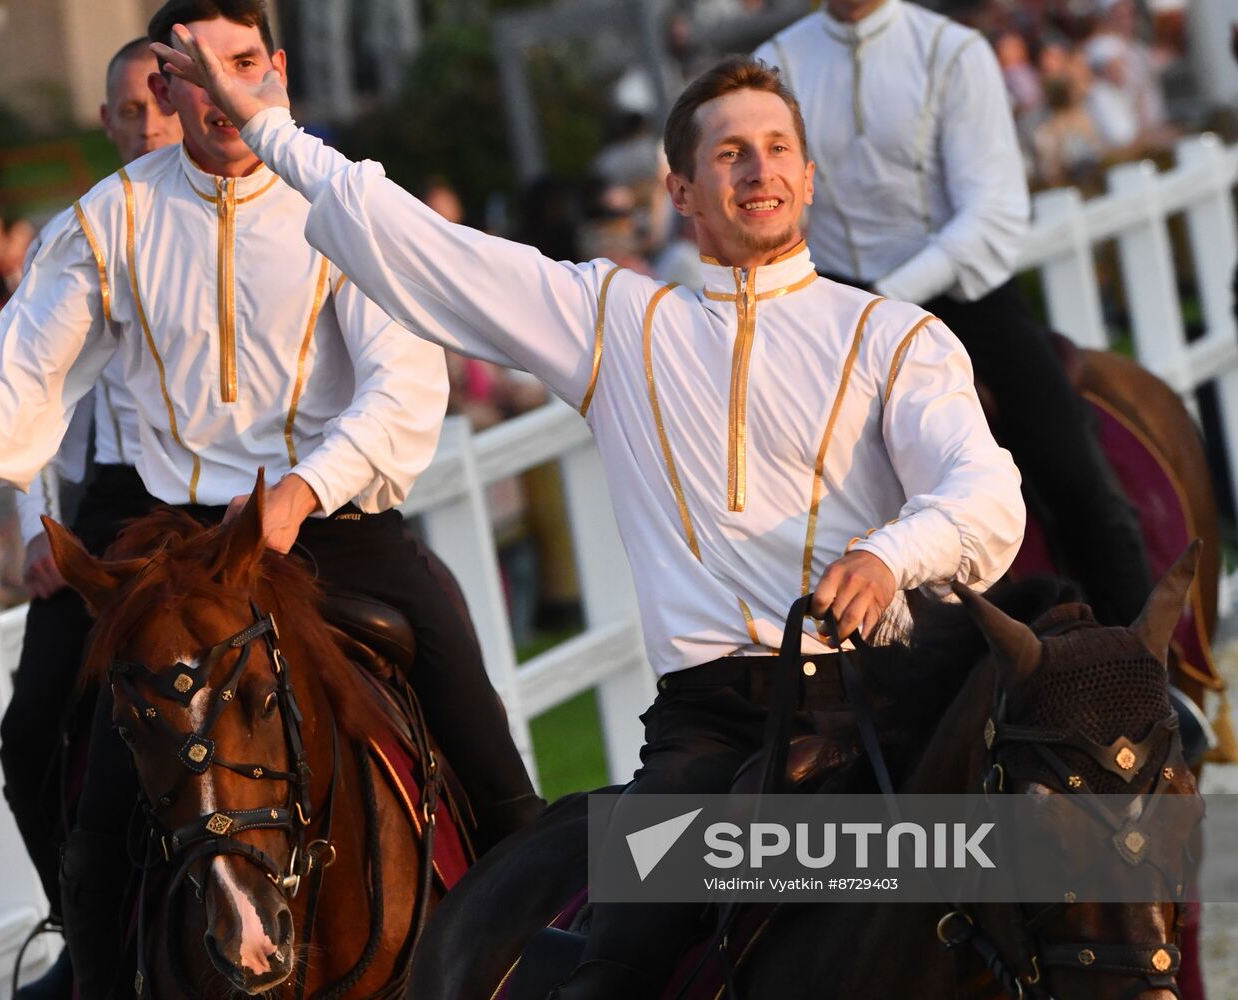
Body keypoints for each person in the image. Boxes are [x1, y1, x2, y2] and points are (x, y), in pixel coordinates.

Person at [154, 37, 1026, 997]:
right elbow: (430, 249)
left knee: (1083, 880)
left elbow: (985, 496)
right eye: (728, 152)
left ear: (809, 179)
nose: (758, 168)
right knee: (613, 968)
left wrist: (889, 554)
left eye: (777, 147)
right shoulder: (619, 323)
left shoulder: (896, 335)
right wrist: (269, 128)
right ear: (682, 193)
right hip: (709, 736)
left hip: (892, 701)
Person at [0, 3, 539, 996]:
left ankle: (535, 953)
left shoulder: (346, 199)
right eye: (195, 70)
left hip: (335, 525)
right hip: (176, 545)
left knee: (495, 768)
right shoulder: (107, 220)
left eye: (241, 63)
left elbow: (404, 383)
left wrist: (305, 489)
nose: (222, 89)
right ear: (164, 90)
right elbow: (18, 372)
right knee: (91, 826)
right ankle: (95, 972)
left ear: (276, 69)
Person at [755, 0, 1155, 629]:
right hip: (831, 315)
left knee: (1074, 477)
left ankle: (1147, 678)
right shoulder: (772, 64)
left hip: (961, 299)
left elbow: (989, 211)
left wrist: (886, 296)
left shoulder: (951, 51)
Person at [0, 37, 181, 1000]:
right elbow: (30, 397)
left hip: (252, 506)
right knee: (29, 731)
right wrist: (38, 523)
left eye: (164, 101)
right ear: (106, 125)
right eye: (129, 109)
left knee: (429, 666)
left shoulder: (282, 211)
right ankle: (84, 934)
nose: (149, 122)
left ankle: (511, 878)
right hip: (110, 512)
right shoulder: (72, 238)